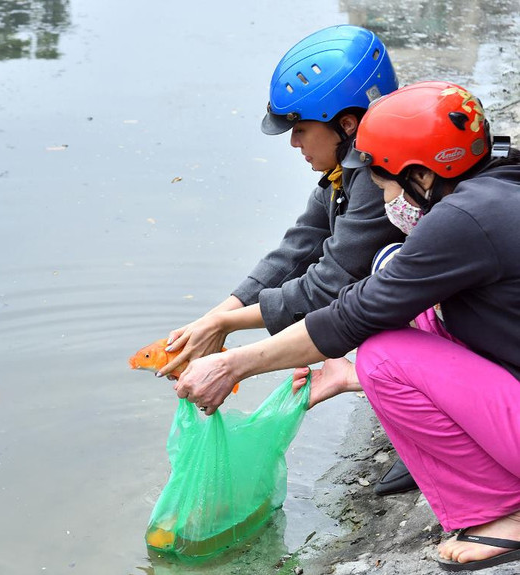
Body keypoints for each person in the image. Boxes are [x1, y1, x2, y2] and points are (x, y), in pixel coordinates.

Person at [172, 80, 520, 572]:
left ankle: (505, 511)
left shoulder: (463, 219)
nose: (387, 199)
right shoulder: (500, 181)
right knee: (395, 279)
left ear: (422, 174)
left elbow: (350, 315)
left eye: (386, 185)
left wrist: (233, 365)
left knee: (382, 356)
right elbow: (328, 268)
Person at [157, 24, 411, 494]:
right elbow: (299, 245)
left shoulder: (381, 180)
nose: (294, 143)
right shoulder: (347, 170)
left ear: (347, 124)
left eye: (300, 130)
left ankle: (438, 431)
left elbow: (328, 284)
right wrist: (216, 317)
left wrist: (229, 332)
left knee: (376, 292)